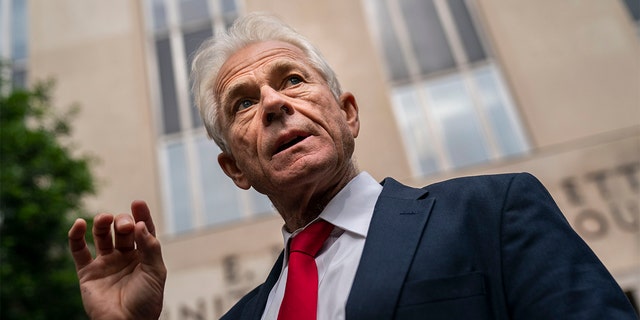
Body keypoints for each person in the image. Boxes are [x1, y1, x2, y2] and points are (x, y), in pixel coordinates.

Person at [68, 12, 638, 320]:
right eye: (243, 102)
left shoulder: (491, 212)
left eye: (292, 80)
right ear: (234, 169)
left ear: (347, 114)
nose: (273, 103)